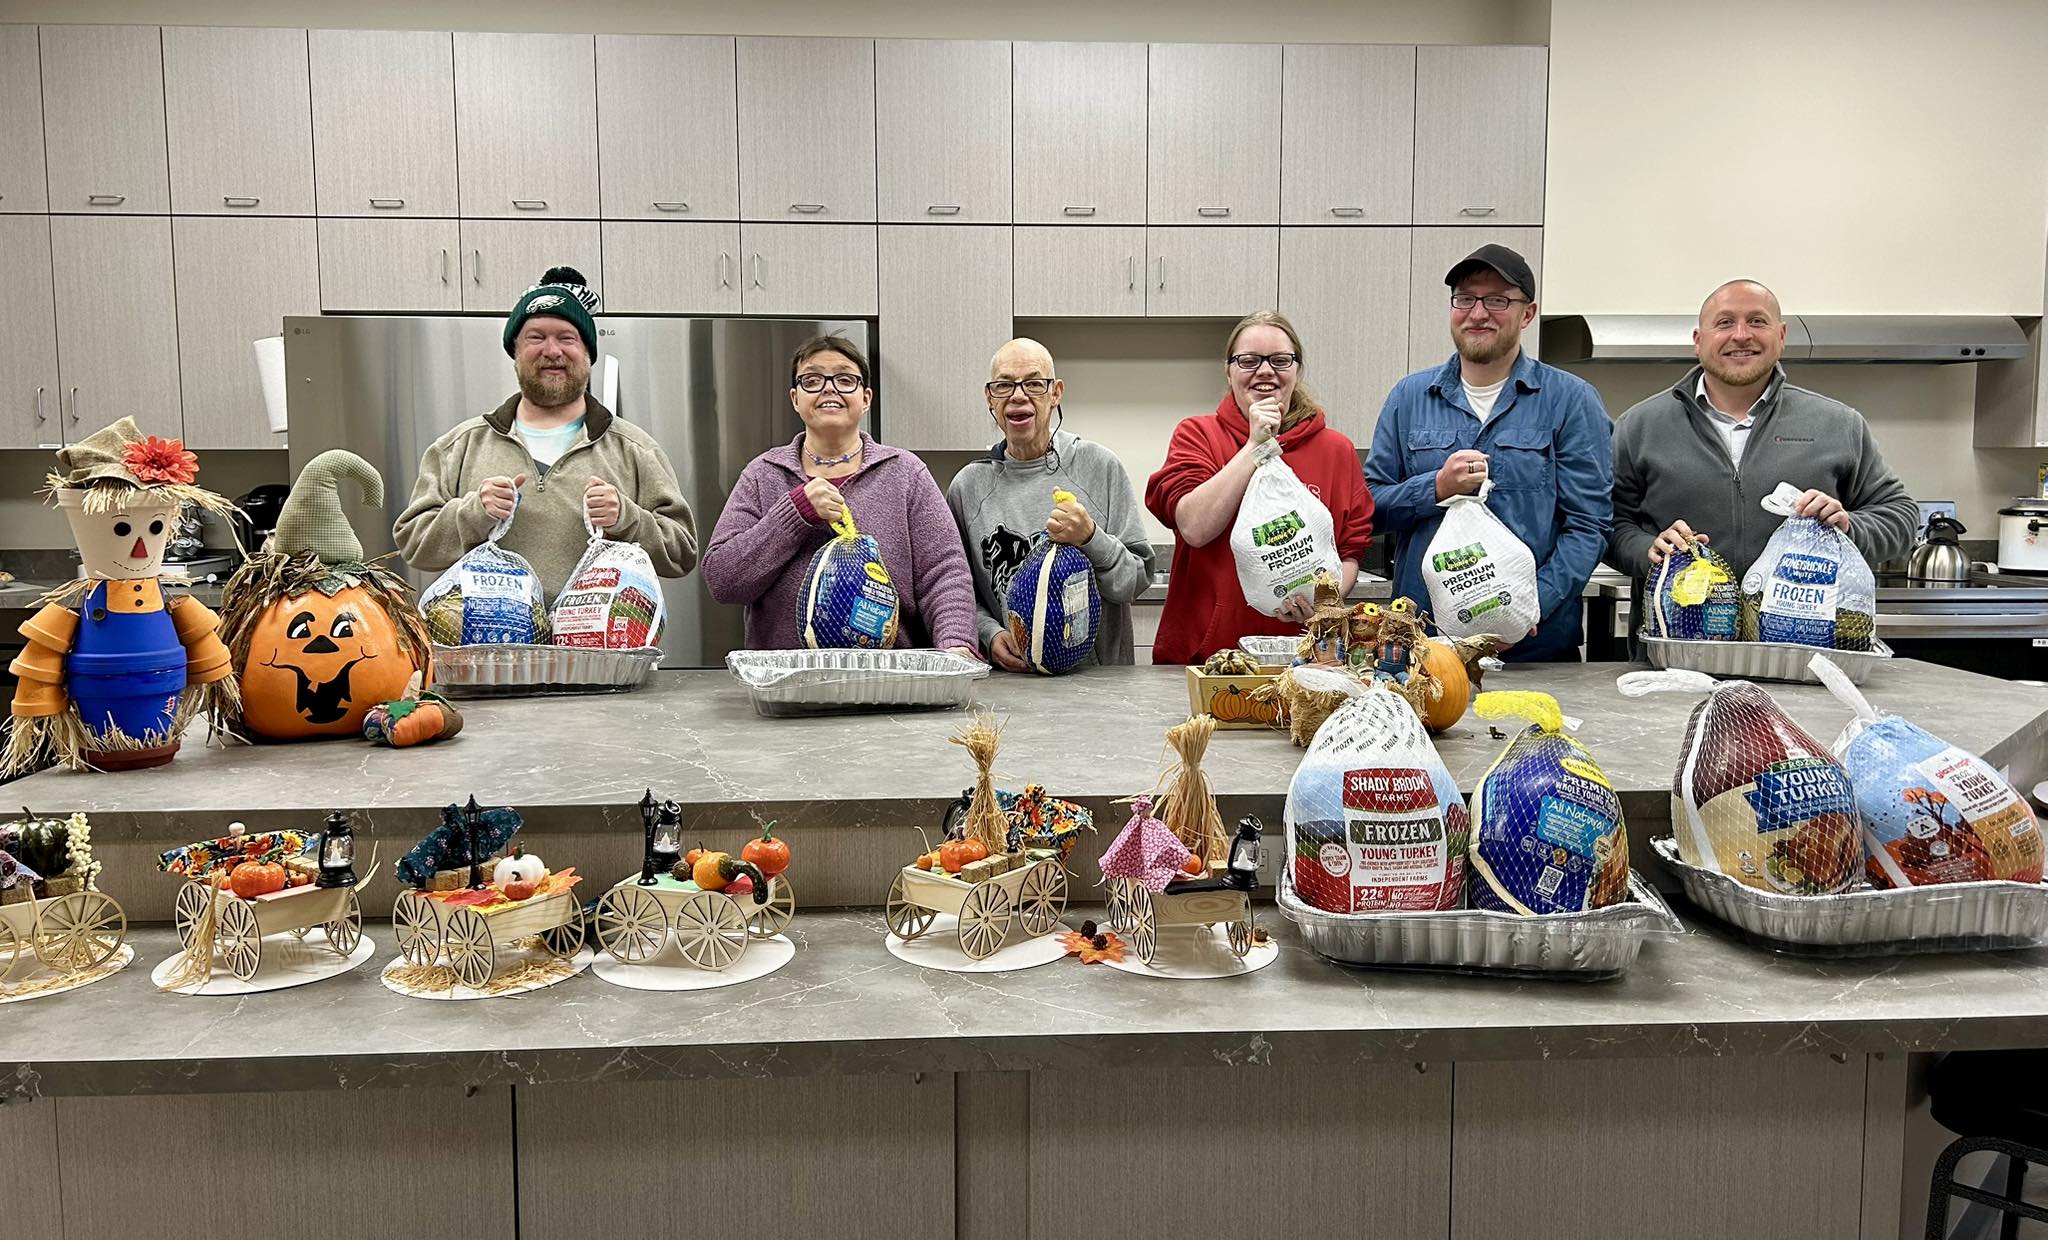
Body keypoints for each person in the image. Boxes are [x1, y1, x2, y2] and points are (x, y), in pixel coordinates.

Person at [1363, 245, 1611, 662]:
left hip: (1535, 649)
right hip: (1425, 649)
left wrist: (1527, 610)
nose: (1478, 313)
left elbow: (1589, 525)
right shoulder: (1409, 397)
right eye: (1466, 298)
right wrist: (1436, 487)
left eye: (1497, 300)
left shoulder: (1572, 401)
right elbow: (1369, 508)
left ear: (1527, 314)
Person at [393, 267, 698, 600]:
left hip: (601, 649)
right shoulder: (459, 447)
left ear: (587, 354)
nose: (552, 351)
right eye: (535, 337)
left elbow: (682, 553)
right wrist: (473, 513)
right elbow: (415, 546)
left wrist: (627, 519)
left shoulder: (635, 449)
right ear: (516, 353)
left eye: (567, 338)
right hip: (490, 649)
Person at [1610, 278, 1918, 581]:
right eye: (1724, 323)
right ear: (1698, 340)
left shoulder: (1838, 424)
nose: (1741, 335)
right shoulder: (1639, 426)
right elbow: (1608, 524)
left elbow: (1900, 517)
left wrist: (1849, 526)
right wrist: (1646, 549)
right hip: (1678, 629)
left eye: (1757, 321)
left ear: (1781, 336)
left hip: (1799, 629)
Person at [701, 335, 979, 655]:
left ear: (866, 398)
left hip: (892, 679)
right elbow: (723, 581)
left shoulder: (906, 473)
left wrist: (956, 643)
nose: (829, 388)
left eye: (845, 379)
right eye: (813, 379)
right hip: (788, 686)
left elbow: (945, 573)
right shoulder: (762, 475)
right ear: (795, 398)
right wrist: (796, 512)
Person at [1145, 311, 1375, 666]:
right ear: (1229, 371)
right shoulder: (1197, 435)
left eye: (1280, 360)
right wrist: (1256, 446)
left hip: (1305, 658)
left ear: (1297, 369)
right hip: (1207, 658)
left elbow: (1348, 550)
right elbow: (1194, 527)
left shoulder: (1336, 451)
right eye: (1249, 360)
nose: (1265, 371)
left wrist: (1323, 602)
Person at [947, 338, 1155, 670]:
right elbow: (956, 593)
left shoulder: (1099, 467)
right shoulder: (967, 488)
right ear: (989, 397)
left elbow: (1135, 582)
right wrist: (990, 633)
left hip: (1100, 687)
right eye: (1004, 385)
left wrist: (1090, 538)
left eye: (1033, 383)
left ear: (1055, 392)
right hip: (1013, 686)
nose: (1018, 395)